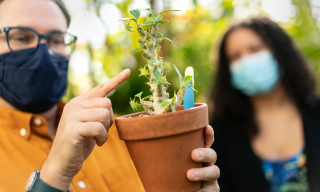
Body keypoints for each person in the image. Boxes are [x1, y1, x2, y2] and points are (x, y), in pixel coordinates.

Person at [0, 0, 220, 191]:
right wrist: (54, 176)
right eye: (21, 37)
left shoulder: (121, 134)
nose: (43, 51)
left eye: (56, 40)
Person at [210, 17, 320, 192]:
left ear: (280, 52)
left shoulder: (317, 112)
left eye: (255, 49)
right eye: (234, 57)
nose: (246, 62)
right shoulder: (217, 135)